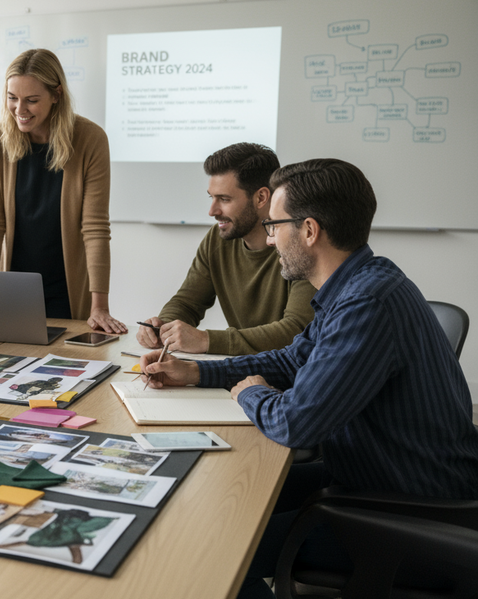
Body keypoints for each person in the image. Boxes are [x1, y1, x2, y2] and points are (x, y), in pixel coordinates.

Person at [140, 159, 478, 598]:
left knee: (210, 545)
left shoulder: (366, 305)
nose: (268, 237)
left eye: (275, 225)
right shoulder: (357, 285)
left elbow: (297, 423)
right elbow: (291, 359)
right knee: (211, 501)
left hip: (413, 511)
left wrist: (253, 394)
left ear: (310, 231)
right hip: (373, 477)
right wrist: (197, 371)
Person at [0, 48, 126, 333]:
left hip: (67, 293)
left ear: (56, 95)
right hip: (11, 291)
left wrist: (100, 307)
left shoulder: (90, 139)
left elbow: (94, 227)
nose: (20, 110)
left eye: (32, 100)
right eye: (12, 98)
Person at [136, 143, 316, 355]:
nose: (212, 211)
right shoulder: (217, 238)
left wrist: (206, 340)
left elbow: (296, 330)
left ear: (261, 197)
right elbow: (187, 302)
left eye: (224, 199)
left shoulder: (300, 244)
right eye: (211, 197)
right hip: (241, 369)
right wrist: (163, 327)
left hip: (288, 376)